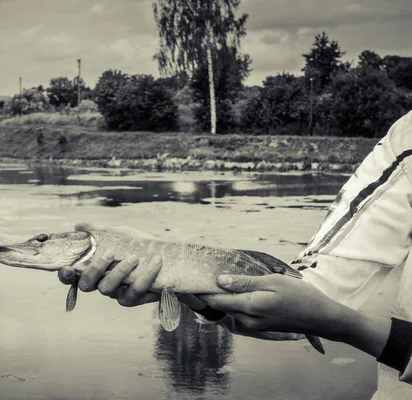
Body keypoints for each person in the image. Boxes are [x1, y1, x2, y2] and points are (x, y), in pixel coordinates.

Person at [58, 111, 412, 399]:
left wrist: (343, 324)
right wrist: (176, 274)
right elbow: (313, 298)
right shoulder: (406, 138)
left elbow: (322, 312)